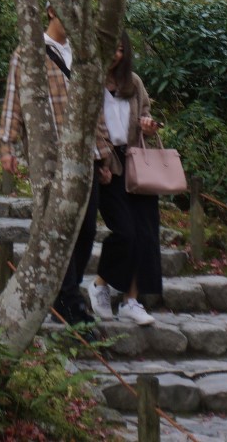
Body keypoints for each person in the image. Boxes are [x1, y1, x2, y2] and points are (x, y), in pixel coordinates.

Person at [0, 12, 102, 328]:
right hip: (52, 156)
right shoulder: (29, 52)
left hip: (88, 155)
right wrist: (7, 144)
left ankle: (65, 292)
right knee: (59, 225)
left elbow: (95, 106)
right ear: (52, 12)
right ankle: (68, 301)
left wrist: (105, 153)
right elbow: (14, 98)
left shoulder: (84, 55)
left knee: (86, 229)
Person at [88, 33, 162, 326]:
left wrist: (148, 124)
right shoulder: (91, 84)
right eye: (111, 49)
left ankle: (132, 300)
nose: (116, 55)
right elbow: (90, 125)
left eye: (120, 50)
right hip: (110, 166)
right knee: (125, 232)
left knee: (146, 235)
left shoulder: (134, 82)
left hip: (137, 164)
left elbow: (147, 117)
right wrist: (103, 160)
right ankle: (99, 284)